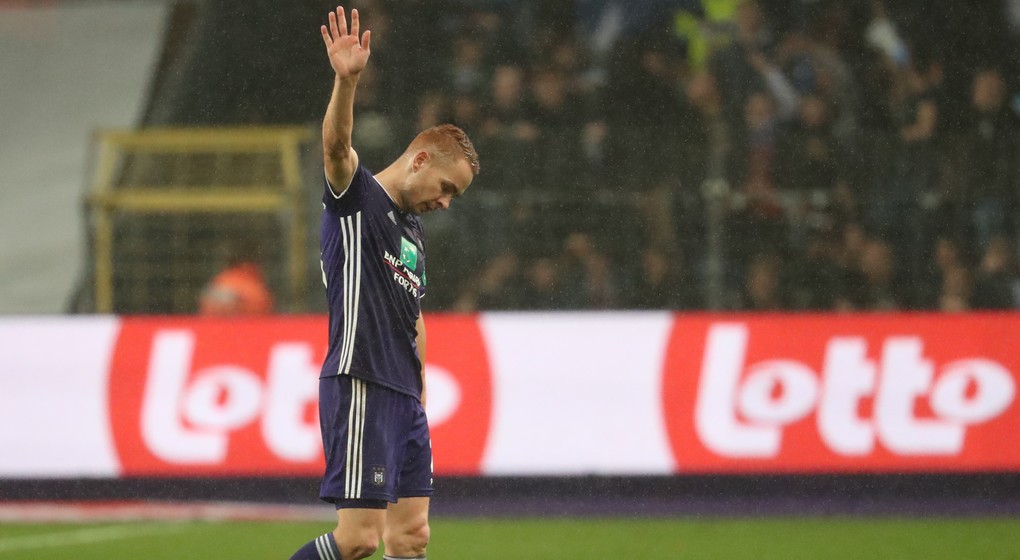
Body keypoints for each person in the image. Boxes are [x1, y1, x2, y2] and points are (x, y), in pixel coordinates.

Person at [289, 7, 479, 560]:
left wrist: (420, 388)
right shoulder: (358, 199)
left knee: (412, 537)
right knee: (358, 541)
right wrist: (346, 81)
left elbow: (413, 313)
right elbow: (335, 148)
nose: (446, 202)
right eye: (446, 187)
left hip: (404, 396)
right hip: (362, 381)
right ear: (419, 160)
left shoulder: (413, 232)